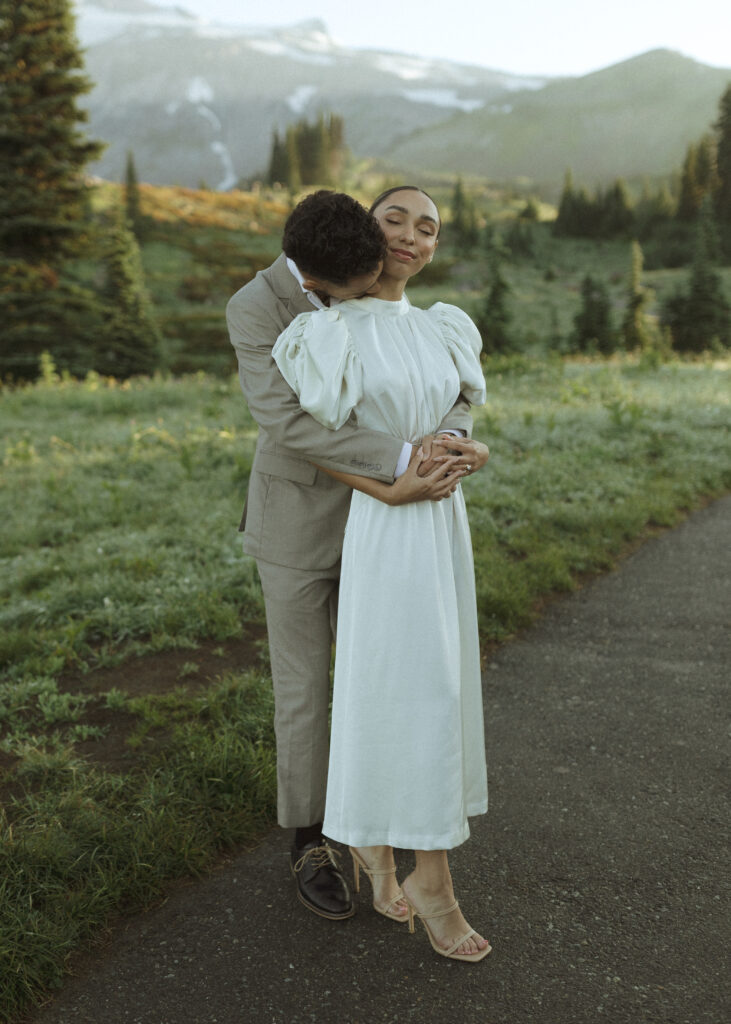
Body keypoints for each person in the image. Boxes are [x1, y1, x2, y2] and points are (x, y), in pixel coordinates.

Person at [226, 191, 487, 923]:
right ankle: (310, 840)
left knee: (392, 681)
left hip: (398, 532)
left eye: (422, 228)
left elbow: (437, 384)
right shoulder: (257, 305)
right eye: (394, 225)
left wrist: (444, 440)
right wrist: (402, 461)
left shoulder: (380, 281)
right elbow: (283, 422)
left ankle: (382, 829)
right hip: (302, 523)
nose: (402, 243)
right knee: (307, 689)